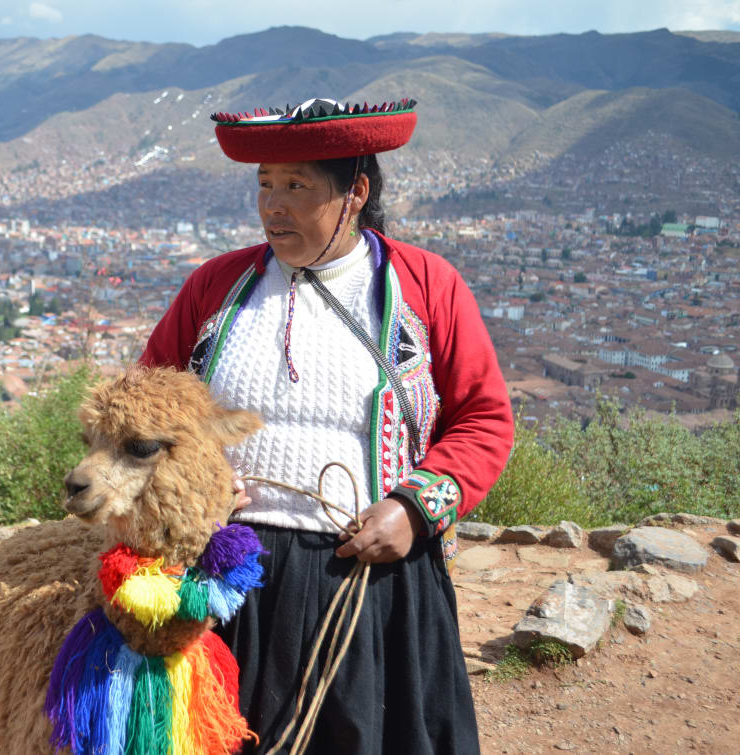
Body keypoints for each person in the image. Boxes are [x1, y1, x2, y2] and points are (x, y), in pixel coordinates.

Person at [140, 97, 513, 754]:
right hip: (230, 579)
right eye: (264, 184)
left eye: (296, 185)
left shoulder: (425, 288)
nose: (272, 205)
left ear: (356, 191)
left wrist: (413, 507)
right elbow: (144, 409)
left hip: (371, 585)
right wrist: (189, 487)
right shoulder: (217, 289)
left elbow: (483, 420)